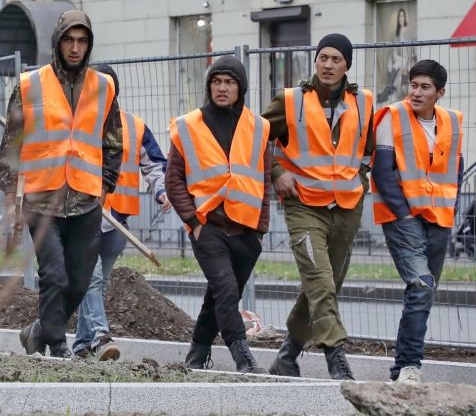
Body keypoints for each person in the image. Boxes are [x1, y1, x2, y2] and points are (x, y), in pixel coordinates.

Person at [0, 10, 122, 359]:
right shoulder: (29, 85)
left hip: (85, 199)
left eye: (82, 41)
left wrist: (105, 185)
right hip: (41, 199)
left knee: (80, 281)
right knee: (54, 275)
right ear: (57, 42)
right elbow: (11, 145)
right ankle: (56, 345)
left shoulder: (104, 86)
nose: (75, 47)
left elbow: (113, 142)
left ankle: (38, 331)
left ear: (89, 45)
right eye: (69, 39)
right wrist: (11, 194)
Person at [262, 33, 374, 380]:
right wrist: (277, 172)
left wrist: (362, 176)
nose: (327, 65)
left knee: (326, 284)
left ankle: (287, 355)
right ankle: (335, 355)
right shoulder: (291, 100)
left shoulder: (364, 102)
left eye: (335, 59)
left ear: (347, 66)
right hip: (303, 204)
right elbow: (256, 136)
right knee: (320, 280)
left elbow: (368, 148)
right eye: (322, 57)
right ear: (315, 61)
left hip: (347, 207)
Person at [166, 55, 272, 374]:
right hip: (208, 226)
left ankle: (196, 355)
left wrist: (260, 228)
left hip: (246, 229)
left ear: (241, 88)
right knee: (226, 291)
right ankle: (243, 356)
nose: (221, 88)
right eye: (216, 81)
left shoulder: (259, 127)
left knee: (218, 297)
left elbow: (264, 178)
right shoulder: (188, 125)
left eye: (229, 82)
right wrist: (194, 222)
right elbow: (174, 180)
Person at [371, 59, 464, 384]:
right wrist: (404, 213)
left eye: (425, 87)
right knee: (421, 285)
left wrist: (448, 208)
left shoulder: (452, 122)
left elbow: (456, 169)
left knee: (423, 291)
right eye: (413, 85)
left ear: (440, 92)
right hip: (402, 216)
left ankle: (401, 369)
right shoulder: (391, 118)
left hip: (439, 218)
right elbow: (382, 173)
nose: (416, 92)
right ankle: (411, 365)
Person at [72, 64, 171, 361]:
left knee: (96, 285)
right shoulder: (75, 127)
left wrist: (162, 190)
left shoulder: (134, 127)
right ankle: (102, 337)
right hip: (84, 216)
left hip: (118, 222)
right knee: (93, 280)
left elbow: (154, 164)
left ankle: (79, 346)